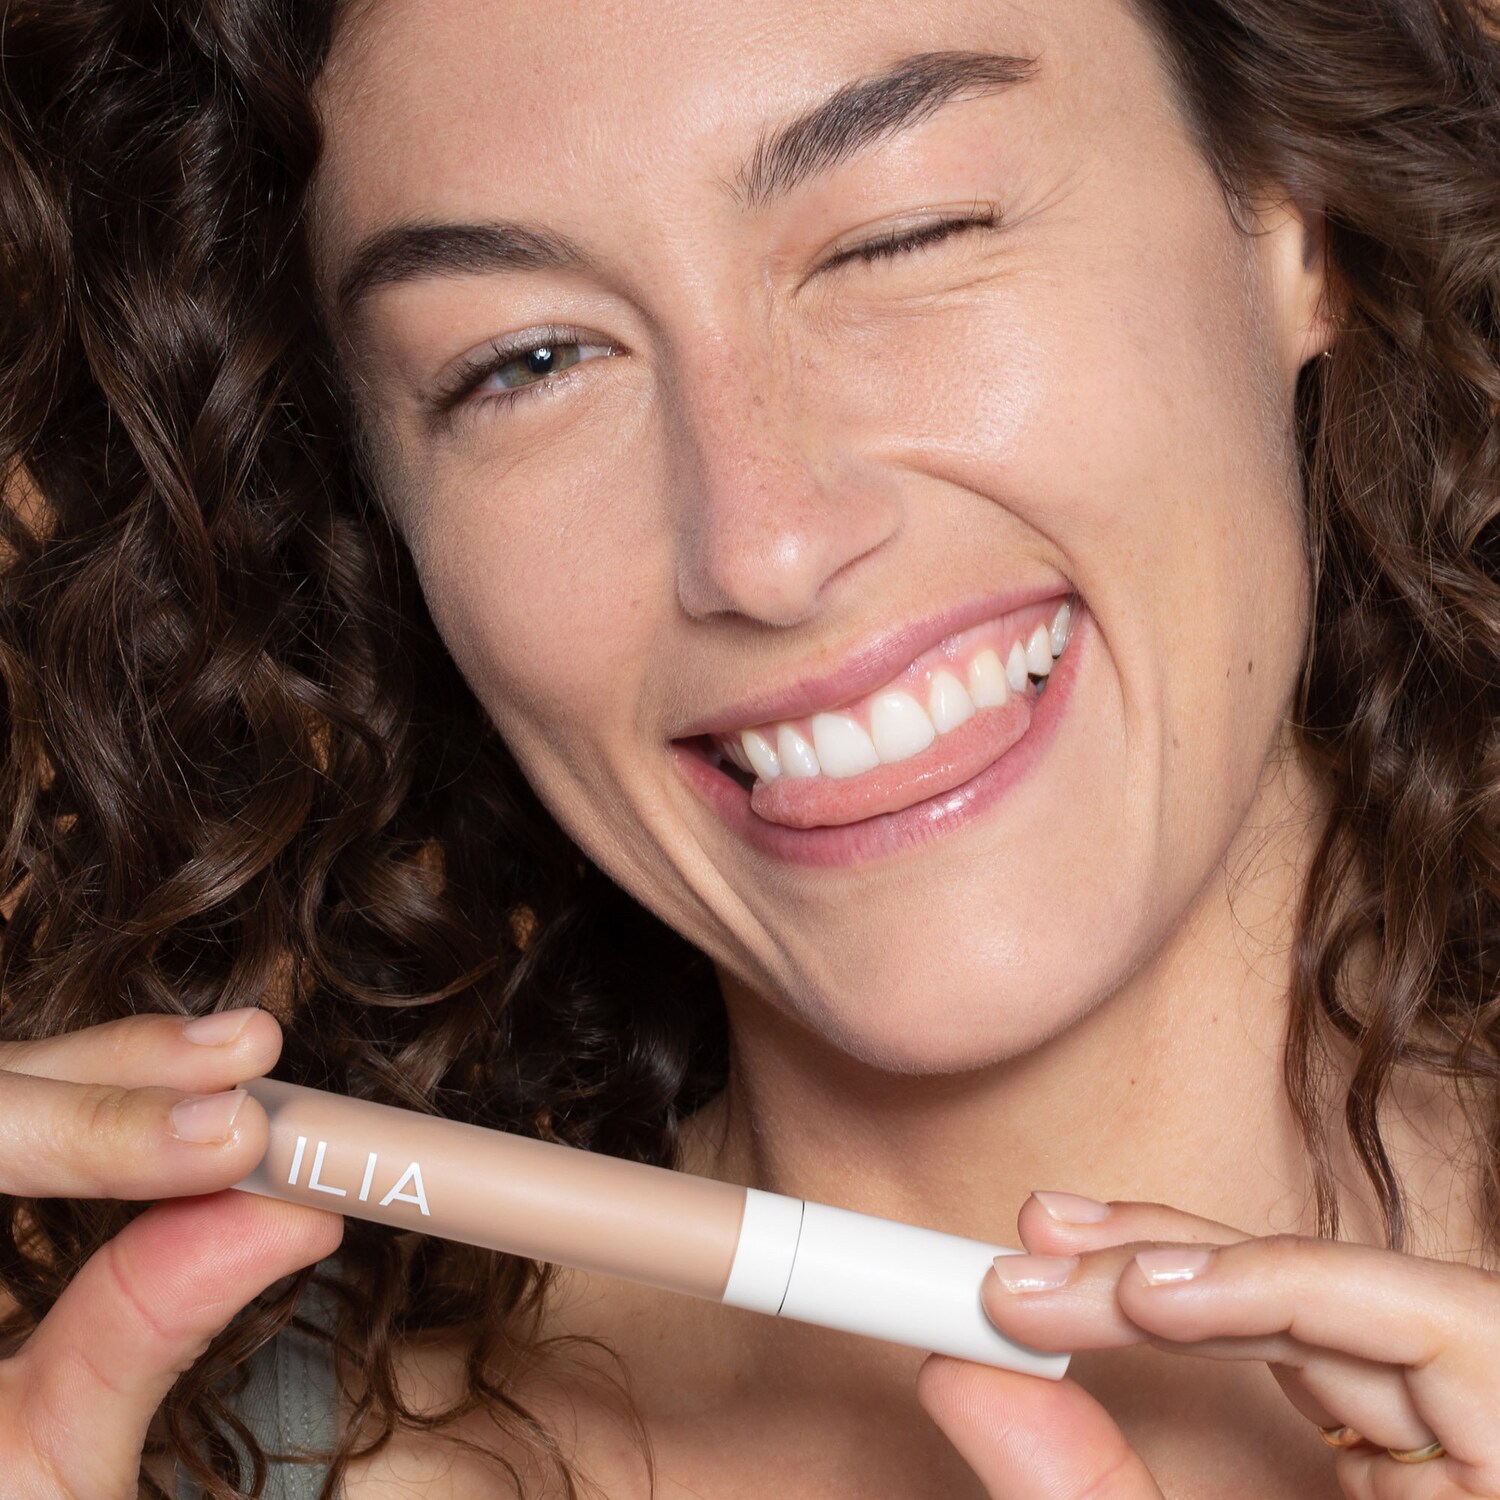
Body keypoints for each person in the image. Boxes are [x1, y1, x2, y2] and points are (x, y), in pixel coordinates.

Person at [1, 0, 1498, 1495]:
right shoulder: (209, 1457)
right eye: (527, 362)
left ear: (1297, 225)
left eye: (904, 237)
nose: (763, 548)